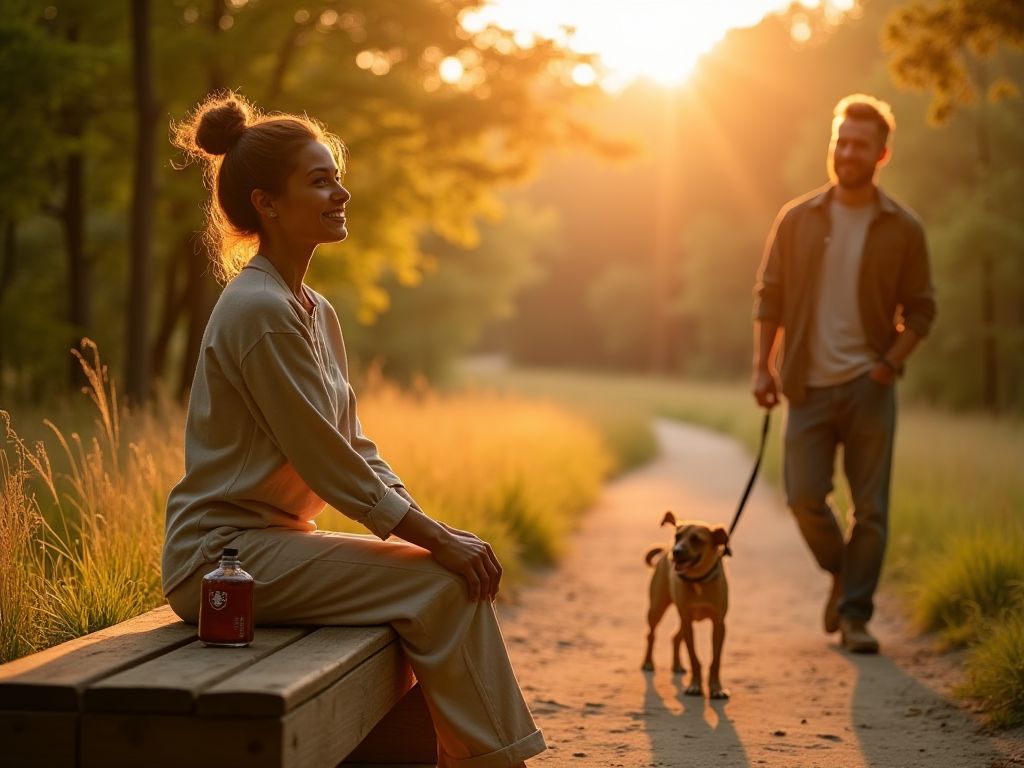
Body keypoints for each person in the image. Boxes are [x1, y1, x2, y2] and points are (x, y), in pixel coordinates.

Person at [163, 91, 545, 767]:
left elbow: (356, 445)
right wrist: (438, 544)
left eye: (336, 176)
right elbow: (327, 462)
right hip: (222, 560)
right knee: (440, 583)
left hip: (275, 547)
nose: (341, 192)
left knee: (437, 573)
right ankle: (498, 761)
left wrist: (437, 531)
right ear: (266, 203)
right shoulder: (256, 308)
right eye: (319, 180)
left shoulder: (312, 309)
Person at [751, 94, 936, 654]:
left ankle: (856, 617)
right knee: (803, 496)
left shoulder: (903, 228)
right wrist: (763, 366)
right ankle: (844, 573)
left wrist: (888, 364)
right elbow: (770, 296)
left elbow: (922, 309)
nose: (847, 152)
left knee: (871, 510)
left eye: (860, 145)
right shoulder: (797, 218)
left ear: (881, 154)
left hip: (869, 387)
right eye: (841, 141)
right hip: (805, 381)